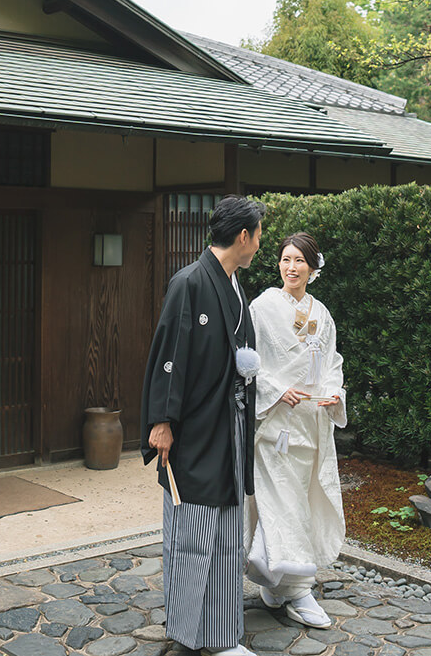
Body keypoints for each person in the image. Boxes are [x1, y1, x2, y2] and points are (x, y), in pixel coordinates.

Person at [140, 195, 264, 656]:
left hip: (227, 426)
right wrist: (161, 422)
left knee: (228, 530)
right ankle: (191, 635)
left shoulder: (232, 286)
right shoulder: (189, 283)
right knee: (194, 531)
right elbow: (169, 356)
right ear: (242, 237)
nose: (258, 246)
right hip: (194, 430)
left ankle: (223, 635)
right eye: (258, 236)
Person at [245, 232, 346, 629]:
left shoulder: (322, 313)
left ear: (312, 267)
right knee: (280, 503)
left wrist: (335, 393)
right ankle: (301, 589)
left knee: (299, 504)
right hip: (274, 426)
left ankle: (275, 581)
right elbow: (248, 360)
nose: (291, 267)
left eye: (299, 261)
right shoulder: (262, 307)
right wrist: (274, 389)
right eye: (286, 259)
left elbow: (333, 360)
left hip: (310, 425)